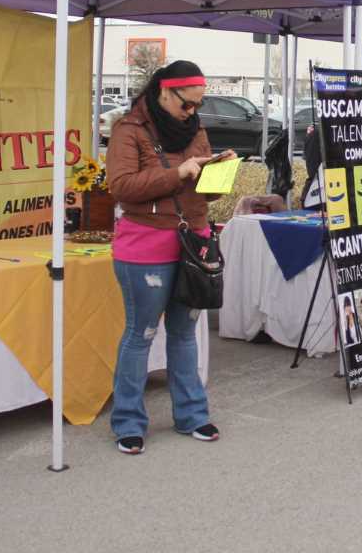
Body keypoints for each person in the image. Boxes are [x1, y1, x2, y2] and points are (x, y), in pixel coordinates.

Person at [107, 61, 235, 455]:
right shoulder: (129, 130)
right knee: (141, 334)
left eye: (198, 105)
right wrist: (179, 172)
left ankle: (193, 415)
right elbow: (122, 187)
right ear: (164, 91)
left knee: (184, 333)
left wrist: (219, 175)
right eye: (187, 104)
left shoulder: (196, 130)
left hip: (193, 241)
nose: (193, 112)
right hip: (145, 244)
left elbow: (206, 194)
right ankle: (128, 422)